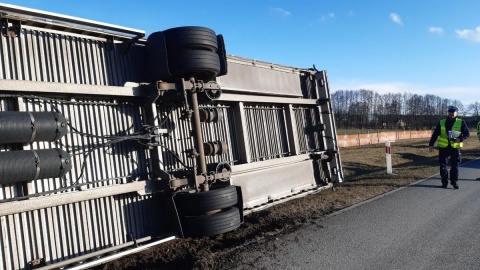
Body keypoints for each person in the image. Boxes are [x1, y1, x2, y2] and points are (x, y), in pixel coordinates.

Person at [428, 105, 470, 189]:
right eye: (450, 112)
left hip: (455, 147)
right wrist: (431, 144)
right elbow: (435, 134)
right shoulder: (442, 122)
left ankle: (454, 181)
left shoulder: (461, 122)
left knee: (455, 165)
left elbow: (467, 134)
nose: (451, 114)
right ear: (448, 113)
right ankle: (444, 181)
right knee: (442, 165)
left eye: (453, 112)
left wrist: (460, 138)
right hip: (444, 147)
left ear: (456, 113)